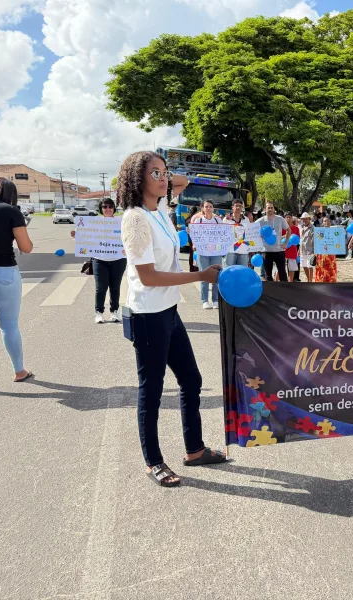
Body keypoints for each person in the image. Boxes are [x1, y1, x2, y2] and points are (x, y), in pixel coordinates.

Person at [117, 150, 226, 487]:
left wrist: (162, 172)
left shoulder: (160, 209)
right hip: (147, 313)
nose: (164, 179)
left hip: (168, 310)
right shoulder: (135, 219)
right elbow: (148, 276)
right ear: (137, 180)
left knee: (191, 379)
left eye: (164, 173)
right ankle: (154, 461)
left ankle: (194, 449)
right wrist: (199, 277)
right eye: (155, 174)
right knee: (151, 390)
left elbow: (184, 181)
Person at [0, 178, 33, 382]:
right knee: (8, 325)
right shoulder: (11, 212)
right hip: (3, 271)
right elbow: (26, 247)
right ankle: (19, 371)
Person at [70, 198, 126, 323]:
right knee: (100, 288)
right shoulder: (93, 222)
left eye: (110, 206)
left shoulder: (121, 222)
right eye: (105, 207)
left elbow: (129, 237)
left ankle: (114, 312)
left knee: (115, 287)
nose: (107, 209)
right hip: (99, 260)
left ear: (114, 208)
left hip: (118, 259)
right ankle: (99, 313)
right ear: (101, 209)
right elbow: (85, 238)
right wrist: (76, 236)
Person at [190, 200, 222, 309]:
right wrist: (195, 244)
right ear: (202, 208)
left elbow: (223, 234)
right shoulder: (198, 221)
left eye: (210, 206)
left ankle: (216, 300)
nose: (208, 208)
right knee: (204, 275)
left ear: (213, 208)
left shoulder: (218, 220)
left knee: (216, 275)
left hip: (216, 251)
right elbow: (193, 234)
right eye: (206, 206)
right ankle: (204, 300)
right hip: (202, 251)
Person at [258, 202, 290, 280]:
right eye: (268, 208)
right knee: (268, 275)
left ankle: (286, 291)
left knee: (282, 274)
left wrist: (286, 243)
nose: (270, 209)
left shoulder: (280, 219)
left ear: (274, 209)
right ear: (265, 209)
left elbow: (288, 230)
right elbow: (252, 230)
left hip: (279, 250)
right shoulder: (260, 221)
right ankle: (270, 291)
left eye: (272, 208)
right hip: (266, 251)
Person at [223, 198, 252, 268]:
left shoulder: (246, 219)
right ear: (232, 207)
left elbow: (249, 233)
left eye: (240, 206)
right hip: (230, 250)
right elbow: (223, 233)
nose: (238, 207)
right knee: (229, 270)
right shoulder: (226, 219)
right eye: (236, 206)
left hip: (243, 251)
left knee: (242, 271)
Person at [315, 216, 338, 282]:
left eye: (328, 221)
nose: (327, 222)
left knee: (330, 270)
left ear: (330, 223)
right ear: (322, 223)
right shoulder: (320, 232)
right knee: (321, 269)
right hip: (321, 254)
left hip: (331, 254)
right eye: (325, 221)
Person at [299, 212, 315, 282]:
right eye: (303, 219)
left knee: (310, 266)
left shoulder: (312, 228)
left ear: (309, 219)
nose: (304, 220)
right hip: (302, 250)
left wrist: (314, 251)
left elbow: (314, 239)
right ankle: (308, 278)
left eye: (306, 219)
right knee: (304, 265)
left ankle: (310, 281)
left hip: (310, 250)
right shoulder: (301, 227)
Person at [284, 213, 300, 282]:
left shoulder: (296, 228)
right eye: (287, 217)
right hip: (283, 250)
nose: (288, 218)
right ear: (284, 218)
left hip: (293, 251)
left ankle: (290, 283)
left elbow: (298, 239)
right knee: (281, 269)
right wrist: (286, 236)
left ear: (292, 218)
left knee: (292, 269)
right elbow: (278, 238)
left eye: (289, 217)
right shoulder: (282, 228)